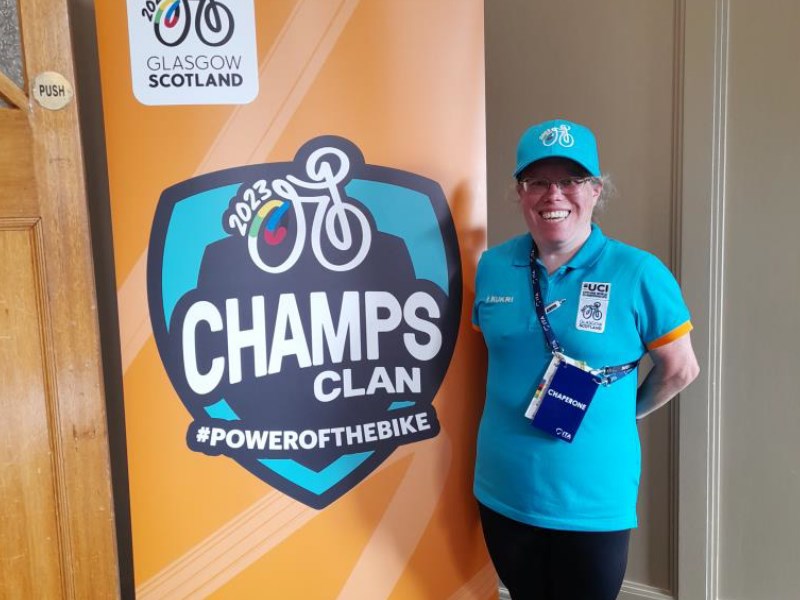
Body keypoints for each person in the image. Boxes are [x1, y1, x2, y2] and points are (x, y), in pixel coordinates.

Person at [472, 118, 699, 599]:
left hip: (592, 499)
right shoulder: (493, 267)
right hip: (502, 488)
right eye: (537, 181)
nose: (553, 195)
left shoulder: (638, 272)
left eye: (570, 180)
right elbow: (485, 361)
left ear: (595, 191)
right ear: (520, 192)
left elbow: (681, 369)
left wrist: (622, 409)